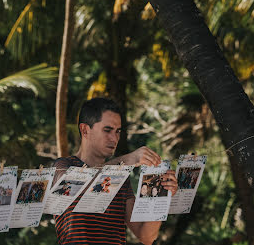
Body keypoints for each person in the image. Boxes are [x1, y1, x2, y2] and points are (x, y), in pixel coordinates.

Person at [53, 98, 178, 245]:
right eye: (107, 130)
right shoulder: (62, 166)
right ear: (85, 130)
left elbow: (146, 236)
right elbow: (72, 187)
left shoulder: (120, 177)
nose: (115, 138)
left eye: (118, 131)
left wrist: (162, 196)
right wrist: (127, 161)